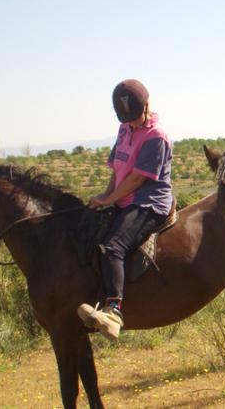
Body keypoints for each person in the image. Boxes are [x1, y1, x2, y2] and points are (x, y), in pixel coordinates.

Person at [77, 79, 173, 340]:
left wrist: (109, 200)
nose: (131, 123)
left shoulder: (157, 136)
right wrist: (106, 195)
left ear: (147, 105)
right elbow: (118, 169)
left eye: (134, 117)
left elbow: (136, 179)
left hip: (147, 202)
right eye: (125, 118)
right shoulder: (124, 128)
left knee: (113, 246)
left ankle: (114, 311)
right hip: (123, 197)